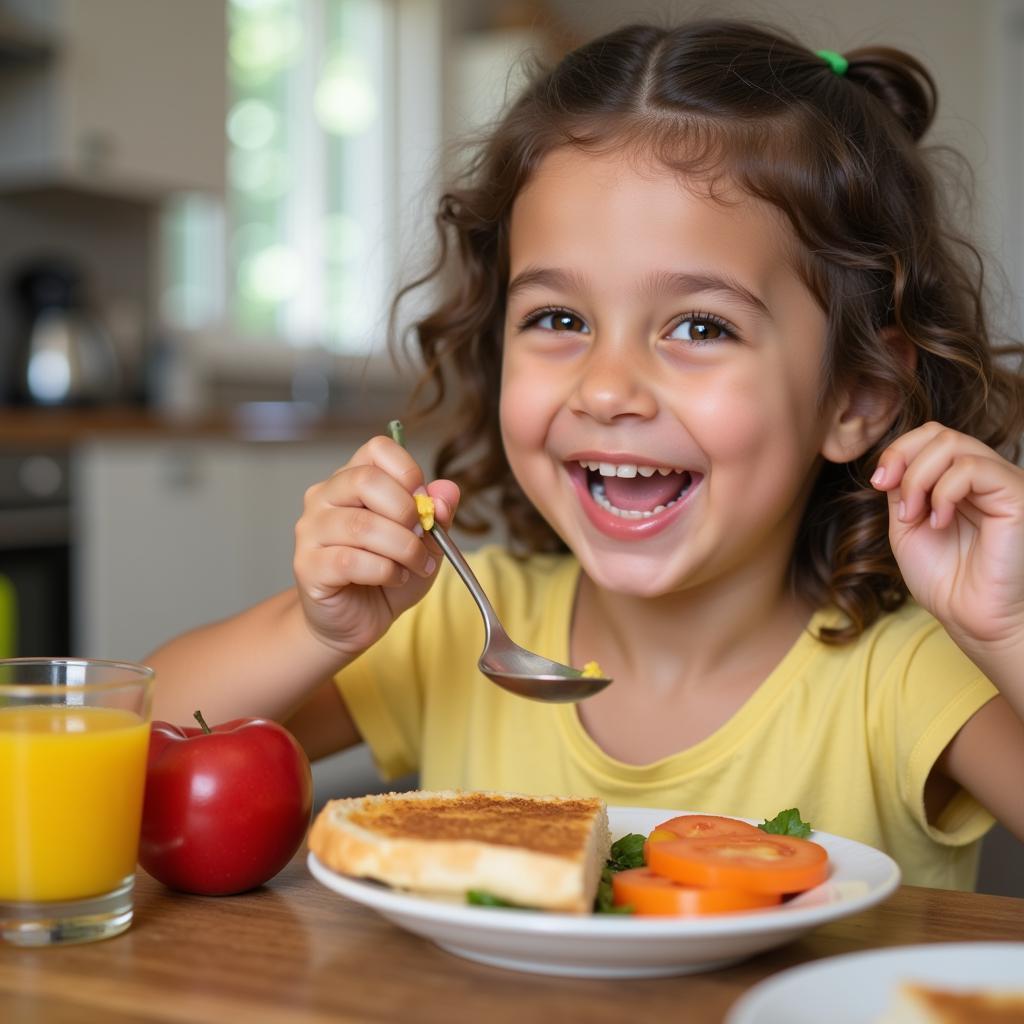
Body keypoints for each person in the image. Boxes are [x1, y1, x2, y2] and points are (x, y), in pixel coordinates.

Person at [148, 19, 1024, 890]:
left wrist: (1012, 631)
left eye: (699, 326)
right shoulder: (457, 632)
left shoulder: (907, 679)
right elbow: (126, 736)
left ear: (855, 398)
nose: (606, 390)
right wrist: (313, 629)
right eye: (558, 320)